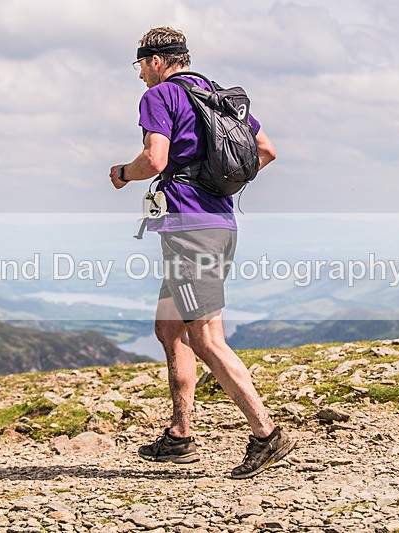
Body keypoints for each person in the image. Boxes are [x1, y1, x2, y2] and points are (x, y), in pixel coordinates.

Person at [109, 27, 295, 479]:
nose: (139, 76)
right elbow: (266, 151)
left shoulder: (161, 97)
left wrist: (121, 173)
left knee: (206, 337)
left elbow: (154, 161)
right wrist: (217, 184)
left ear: (156, 60)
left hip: (190, 230)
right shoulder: (220, 97)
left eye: (139, 66)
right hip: (219, 223)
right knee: (170, 327)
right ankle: (180, 436)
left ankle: (267, 435)